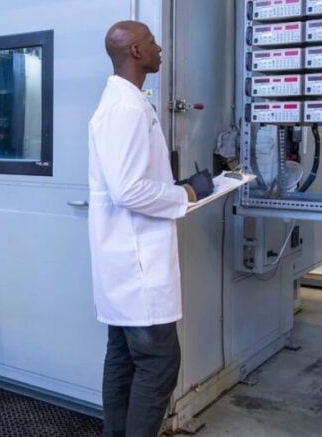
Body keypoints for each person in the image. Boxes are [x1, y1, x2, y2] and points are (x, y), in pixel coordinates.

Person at [88, 21, 213, 437]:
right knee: (158, 363)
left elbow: (130, 180)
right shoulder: (125, 109)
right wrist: (186, 196)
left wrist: (176, 187)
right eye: (153, 42)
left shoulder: (124, 103)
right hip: (136, 263)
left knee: (123, 358)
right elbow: (128, 190)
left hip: (123, 261)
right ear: (136, 52)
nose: (160, 48)